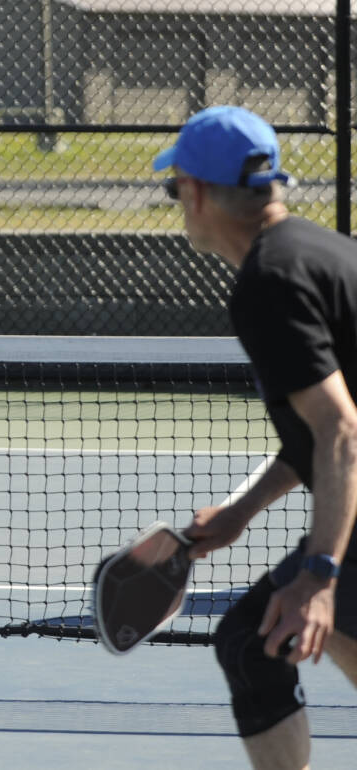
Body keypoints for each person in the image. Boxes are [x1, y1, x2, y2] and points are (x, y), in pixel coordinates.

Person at [155, 105, 357, 769]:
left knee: (255, 640)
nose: (176, 203)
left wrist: (320, 577)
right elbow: (320, 430)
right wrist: (243, 510)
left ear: (199, 193)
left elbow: (339, 429)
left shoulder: (269, 283)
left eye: (173, 188)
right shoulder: (316, 250)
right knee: (297, 636)